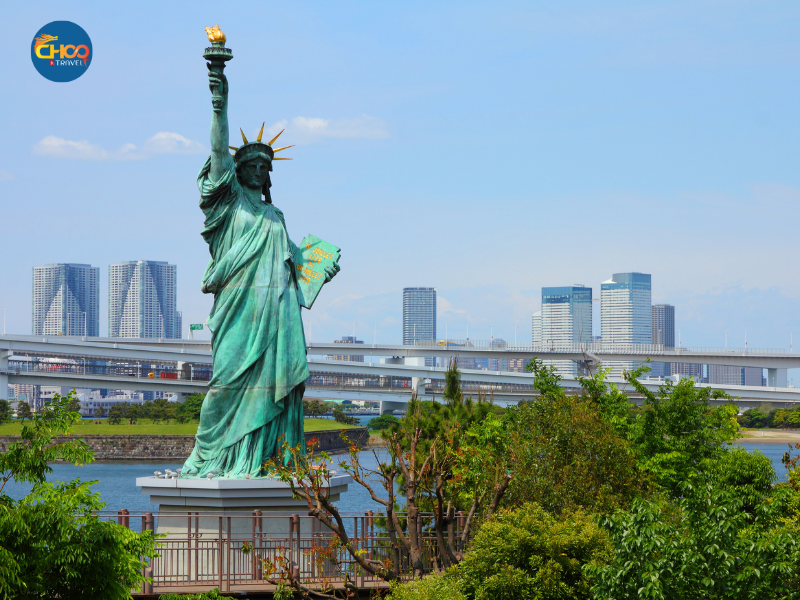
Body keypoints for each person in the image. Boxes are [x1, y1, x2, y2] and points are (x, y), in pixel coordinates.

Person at [181, 66, 338, 478]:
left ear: (268, 174)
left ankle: (268, 457)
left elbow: (295, 267)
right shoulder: (227, 207)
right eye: (250, 163)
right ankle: (214, 456)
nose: (258, 169)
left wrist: (321, 269)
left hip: (278, 314)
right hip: (239, 310)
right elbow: (218, 152)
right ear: (238, 171)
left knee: (276, 384)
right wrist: (220, 101)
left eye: (264, 165)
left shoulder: (275, 216)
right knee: (227, 383)